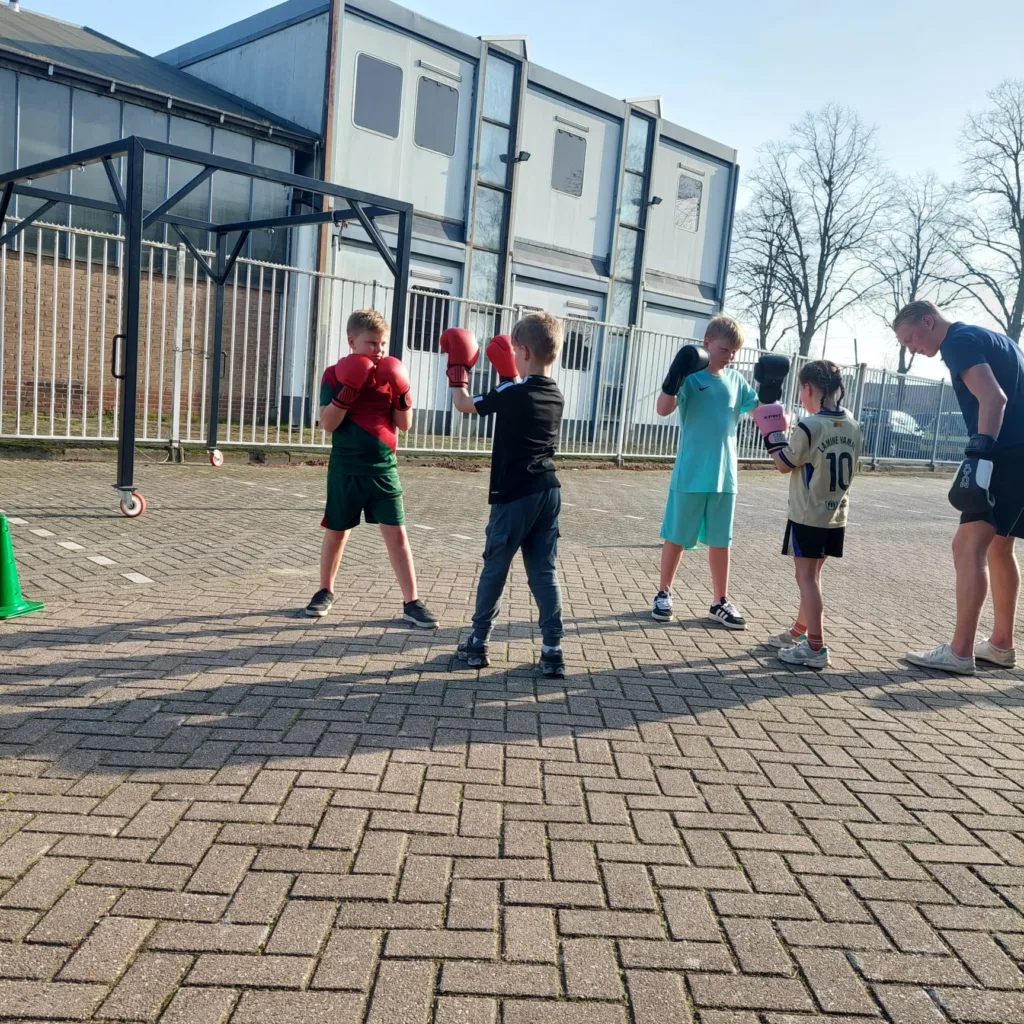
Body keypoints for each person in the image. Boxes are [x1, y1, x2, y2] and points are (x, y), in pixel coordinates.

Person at [893, 300, 1023, 674]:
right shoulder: (993, 338)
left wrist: (981, 453)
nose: (913, 349)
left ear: (929, 322)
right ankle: (1000, 644)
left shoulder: (957, 342)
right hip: (1019, 454)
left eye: (911, 339)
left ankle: (960, 652)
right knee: (1000, 546)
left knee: (966, 546)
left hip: (1005, 455)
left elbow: (993, 398)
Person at [446, 316, 566, 678]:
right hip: (548, 491)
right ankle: (552, 651)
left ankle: (478, 643)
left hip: (514, 495)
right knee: (543, 572)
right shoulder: (555, 395)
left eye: (515, 349)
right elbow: (514, 401)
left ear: (524, 351)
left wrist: (458, 370)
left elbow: (465, 405)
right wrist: (506, 377)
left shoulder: (512, 393)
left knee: (495, 568)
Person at [653, 315, 788, 630]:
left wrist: (780, 413)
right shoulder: (690, 377)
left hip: (725, 476)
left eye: (735, 351)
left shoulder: (736, 381)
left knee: (720, 540)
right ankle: (663, 593)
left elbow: (761, 413)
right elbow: (662, 409)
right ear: (707, 344)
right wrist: (673, 378)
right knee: (676, 536)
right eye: (726, 349)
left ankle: (719, 601)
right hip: (690, 473)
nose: (731, 356)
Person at [305, 309, 438, 628]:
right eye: (372, 343)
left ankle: (412, 601)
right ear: (352, 341)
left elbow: (404, 425)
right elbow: (327, 423)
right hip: (346, 468)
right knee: (337, 531)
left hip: (383, 468)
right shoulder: (335, 374)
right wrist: (347, 391)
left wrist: (403, 392)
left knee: (397, 535)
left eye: (383, 344)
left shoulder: (390, 373)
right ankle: (325, 590)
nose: (379, 350)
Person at [752, 361, 862, 669]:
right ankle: (800, 632)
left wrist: (772, 435)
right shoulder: (851, 422)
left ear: (808, 388)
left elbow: (785, 463)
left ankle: (816, 646)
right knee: (814, 576)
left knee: (806, 578)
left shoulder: (809, 426)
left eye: (801, 388)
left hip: (808, 514)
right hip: (837, 512)